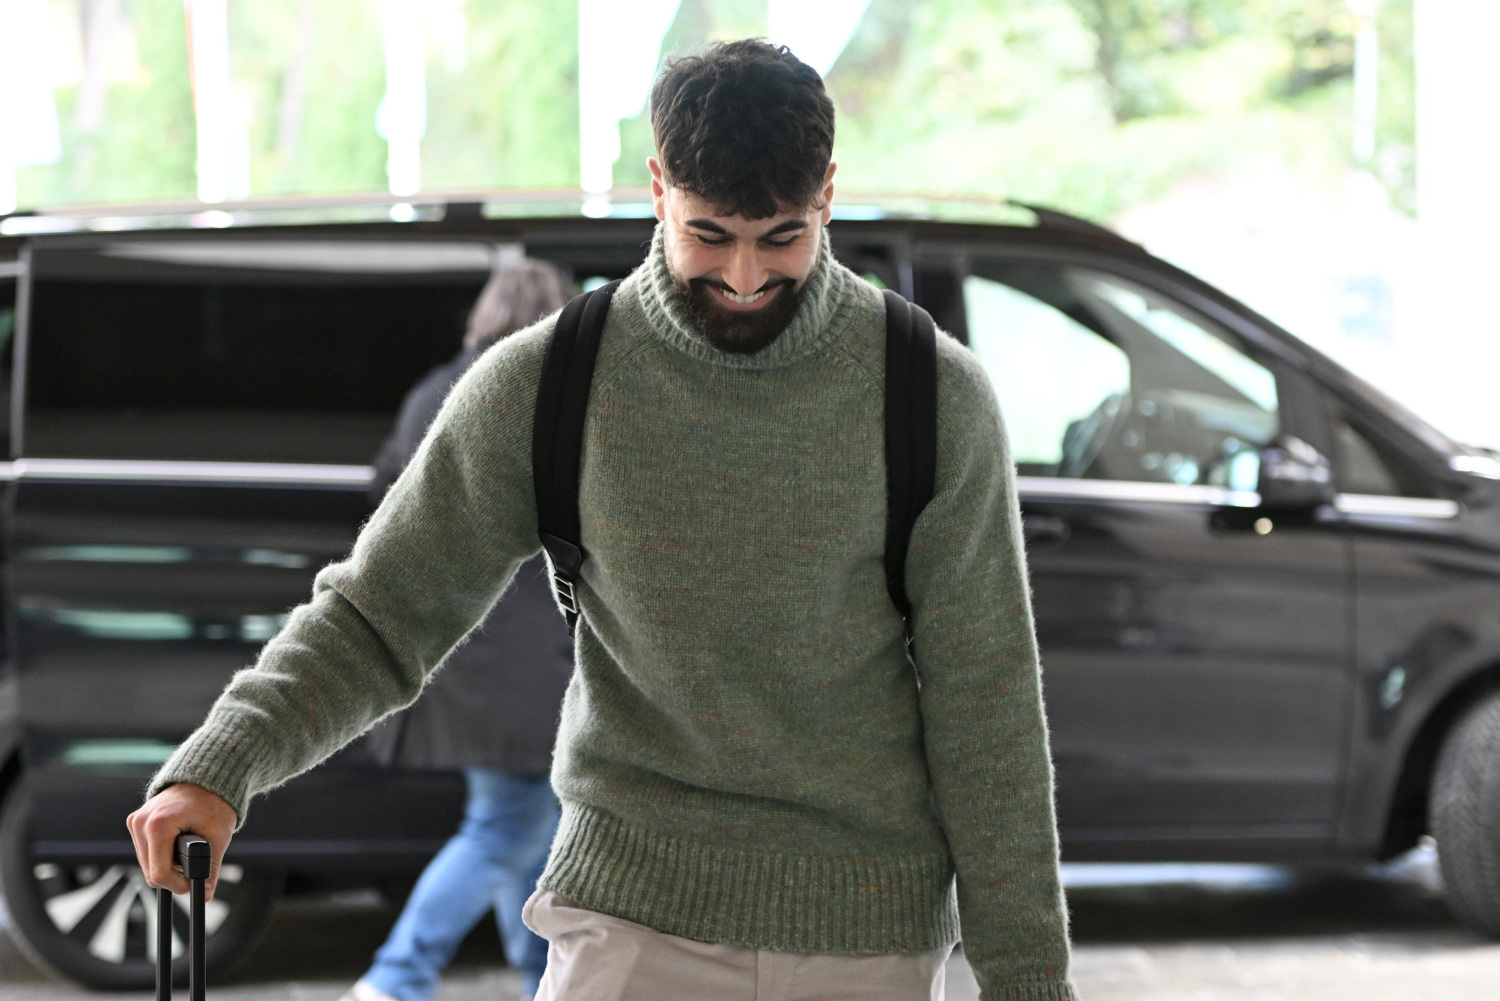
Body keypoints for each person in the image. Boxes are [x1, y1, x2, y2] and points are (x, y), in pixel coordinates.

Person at [128, 39, 1078, 1001]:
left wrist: (1030, 985)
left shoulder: (931, 396)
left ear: (827, 194)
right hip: (627, 926)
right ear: (658, 187)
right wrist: (224, 762)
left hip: (866, 940)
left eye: (780, 237)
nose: (745, 276)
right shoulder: (550, 383)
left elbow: (987, 709)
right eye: (711, 235)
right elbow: (382, 612)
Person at [346, 261, 578, 1001]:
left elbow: (384, 500)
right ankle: (396, 977)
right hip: (530, 663)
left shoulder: (430, 393)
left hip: (458, 652)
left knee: (525, 830)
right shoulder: (547, 395)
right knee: (504, 828)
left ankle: (539, 978)